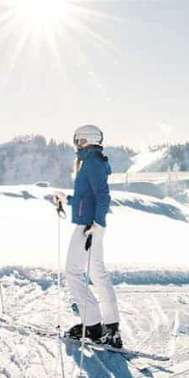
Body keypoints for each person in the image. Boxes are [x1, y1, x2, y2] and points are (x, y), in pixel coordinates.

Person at [53, 124, 122, 348]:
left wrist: (98, 225)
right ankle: (111, 327)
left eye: (77, 139)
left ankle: (92, 326)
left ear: (86, 139)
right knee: (97, 273)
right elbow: (88, 198)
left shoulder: (91, 162)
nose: (75, 144)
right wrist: (67, 200)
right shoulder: (93, 161)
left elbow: (103, 196)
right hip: (92, 225)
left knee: (73, 271)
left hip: (88, 226)